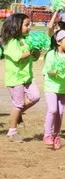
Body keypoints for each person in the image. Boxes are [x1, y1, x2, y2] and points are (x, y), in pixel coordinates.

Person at [1, 14, 41, 142]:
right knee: (18, 104)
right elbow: (18, 57)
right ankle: (12, 132)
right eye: (26, 25)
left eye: (30, 25)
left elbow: (34, 57)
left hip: (27, 76)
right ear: (17, 26)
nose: (29, 27)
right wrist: (31, 51)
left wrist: (37, 50)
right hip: (15, 79)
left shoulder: (26, 40)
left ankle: (16, 115)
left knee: (35, 96)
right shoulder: (12, 42)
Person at [43, 30, 65, 149]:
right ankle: (47, 135)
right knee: (52, 110)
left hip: (62, 88)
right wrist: (57, 71)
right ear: (58, 42)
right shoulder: (51, 54)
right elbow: (49, 70)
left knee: (60, 112)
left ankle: (56, 135)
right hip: (51, 87)